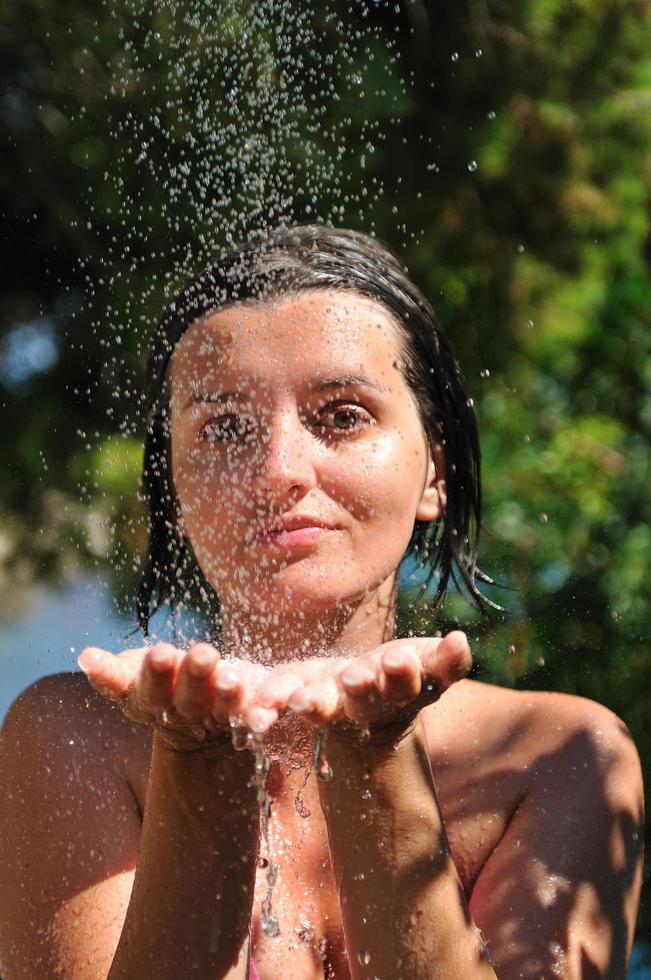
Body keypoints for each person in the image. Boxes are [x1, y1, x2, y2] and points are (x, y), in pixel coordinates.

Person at [0, 225, 643, 980]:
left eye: (341, 415)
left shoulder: (561, 755)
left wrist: (376, 759)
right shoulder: (71, 737)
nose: (279, 468)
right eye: (226, 427)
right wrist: (195, 762)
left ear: (434, 472)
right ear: (175, 494)